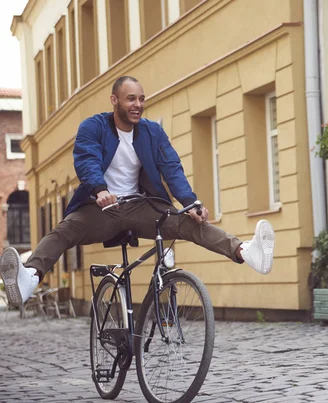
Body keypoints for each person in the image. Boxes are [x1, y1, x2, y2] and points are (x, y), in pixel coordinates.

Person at [0, 76, 275, 307]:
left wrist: (191, 203)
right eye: (131, 99)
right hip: (102, 208)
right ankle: (29, 279)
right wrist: (100, 189)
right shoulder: (93, 127)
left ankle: (244, 251)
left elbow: (172, 169)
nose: (138, 105)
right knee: (64, 231)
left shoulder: (152, 132)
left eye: (141, 99)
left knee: (190, 223)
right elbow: (87, 160)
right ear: (114, 100)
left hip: (142, 206)